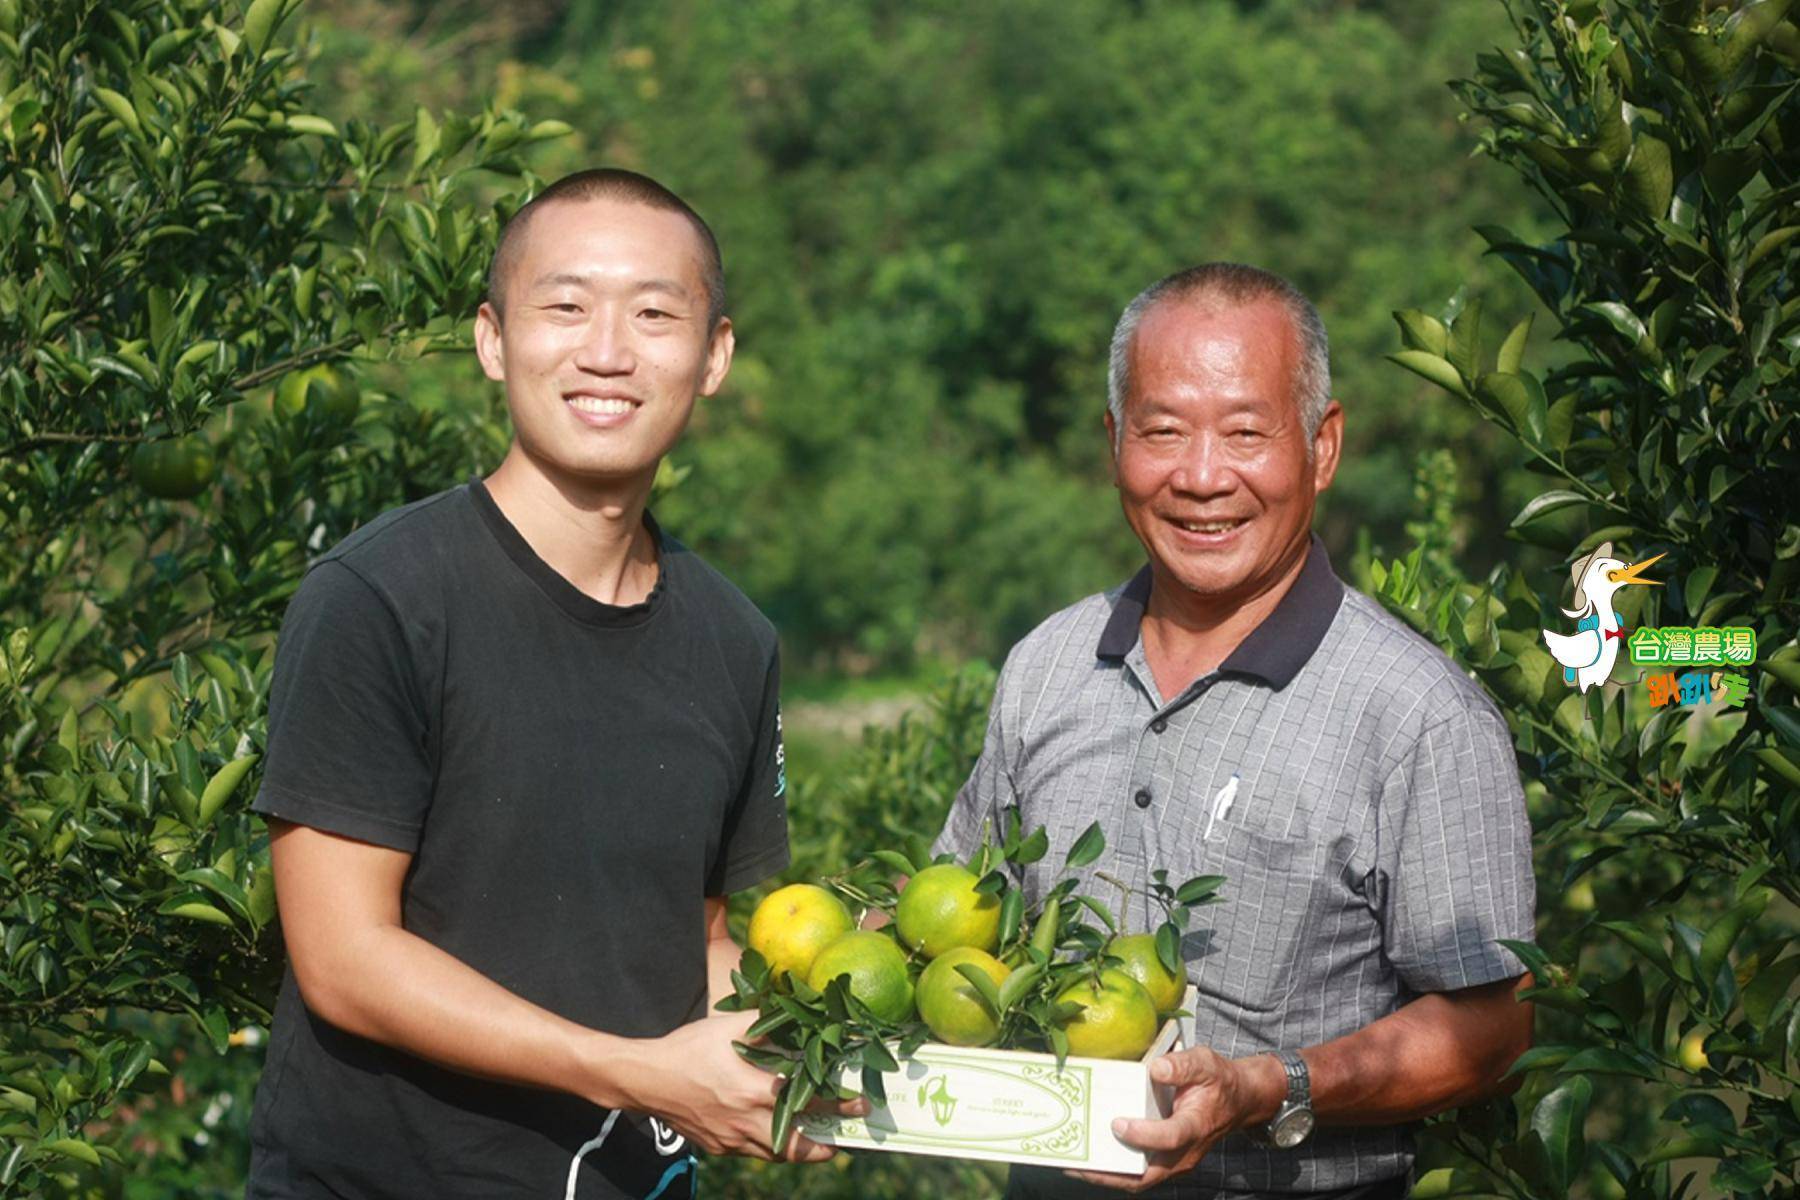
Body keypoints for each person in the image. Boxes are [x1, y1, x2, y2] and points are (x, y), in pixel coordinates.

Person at [246, 168, 857, 1199]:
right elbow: (344, 960)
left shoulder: (732, 639)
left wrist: (832, 1030)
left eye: (655, 315)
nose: (607, 352)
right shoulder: (382, 599)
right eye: (565, 307)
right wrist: (636, 1072)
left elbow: (690, 943)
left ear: (714, 358)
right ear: (493, 339)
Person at [932, 263, 1536, 1199]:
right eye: (1163, 431)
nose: (1202, 477)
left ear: (1322, 447)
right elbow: (955, 917)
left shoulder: (1417, 716)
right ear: (1113, 442)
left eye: (1247, 433)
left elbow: (1491, 1027)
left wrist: (1270, 1086)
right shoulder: (1047, 667)